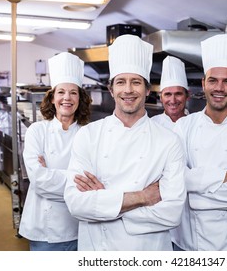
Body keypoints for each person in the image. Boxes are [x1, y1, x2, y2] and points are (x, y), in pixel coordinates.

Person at [64, 34, 186, 251]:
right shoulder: (89, 135)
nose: (128, 90)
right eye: (121, 82)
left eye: (136, 82)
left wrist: (105, 204)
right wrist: (143, 197)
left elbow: (172, 213)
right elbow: (76, 204)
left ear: (148, 90)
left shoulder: (169, 141)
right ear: (111, 89)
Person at [170, 34, 227, 251]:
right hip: (189, 242)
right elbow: (172, 179)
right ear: (203, 84)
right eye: (213, 80)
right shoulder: (183, 127)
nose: (219, 88)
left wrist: (192, 198)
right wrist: (225, 176)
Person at [19, 52, 92, 251]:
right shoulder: (37, 131)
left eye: (73, 92)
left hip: (80, 226)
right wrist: (77, 181)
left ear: (80, 99)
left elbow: (95, 181)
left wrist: (52, 174)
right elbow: (39, 181)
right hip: (45, 231)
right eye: (61, 92)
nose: (66, 98)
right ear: (52, 98)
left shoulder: (89, 134)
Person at [152, 56, 189, 129]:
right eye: (168, 94)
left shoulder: (196, 124)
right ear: (161, 97)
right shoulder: (152, 125)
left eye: (178, 94)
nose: (173, 101)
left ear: (187, 96)